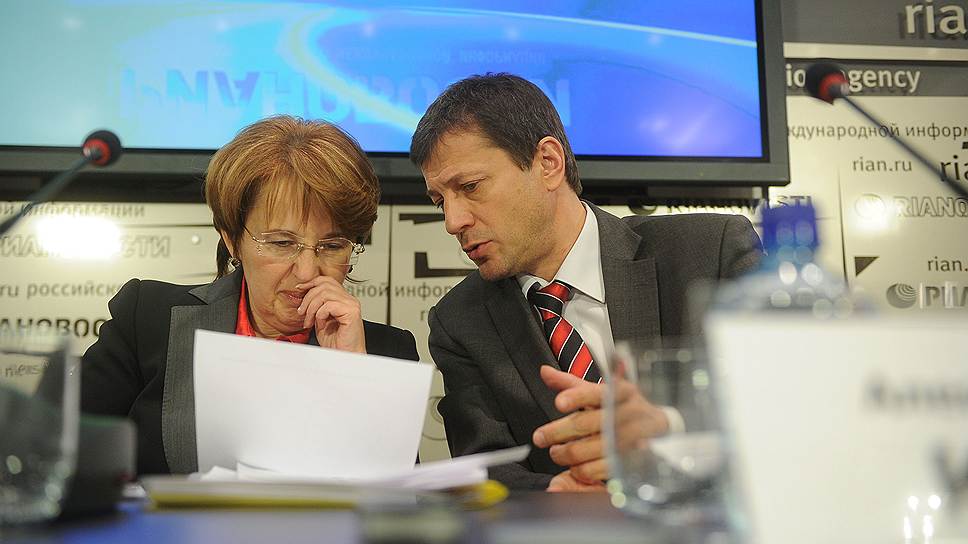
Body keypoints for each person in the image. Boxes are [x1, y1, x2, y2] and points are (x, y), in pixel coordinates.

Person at [409, 73, 762, 491]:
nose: (453, 221)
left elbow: (790, 399)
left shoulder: (709, 253)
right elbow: (485, 469)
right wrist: (556, 494)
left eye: (470, 187)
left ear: (548, 163)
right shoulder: (460, 321)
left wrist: (668, 428)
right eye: (440, 201)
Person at [80, 115, 419, 475]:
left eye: (332, 245)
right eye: (282, 243)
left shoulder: (386, 352)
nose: (307, 272)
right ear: (232, 240)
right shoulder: (147, 320)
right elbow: (63, 447)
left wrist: (354, 374)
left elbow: (401, 500)